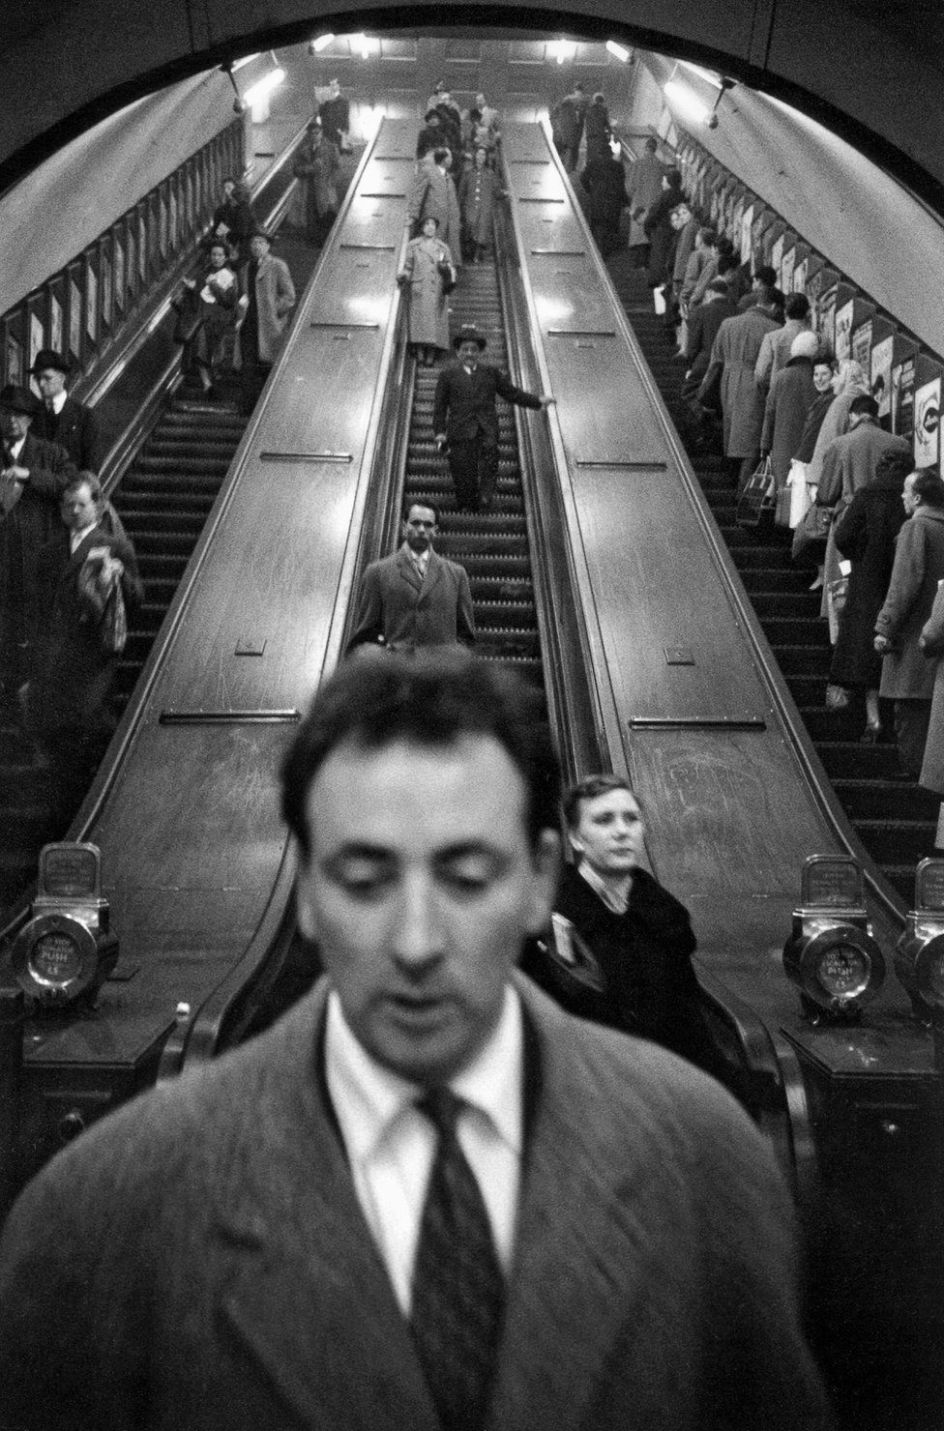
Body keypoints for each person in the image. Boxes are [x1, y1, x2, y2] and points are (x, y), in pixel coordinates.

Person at [0, 651, 834, 1431]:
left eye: (467, 877)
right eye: (365, 880)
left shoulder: (707, 1161)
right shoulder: (104, 1211)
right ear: (307, 898)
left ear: (541, 880)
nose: (416, 940)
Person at [520, 774, 731, 1083]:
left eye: (631, 819)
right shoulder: (546, 918)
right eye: (604, 820)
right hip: (580, 1080)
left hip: (660, 1079)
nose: (621, 831)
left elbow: (687, 1022)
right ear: (577, 838)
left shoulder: (664, 916)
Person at [24, 472, 142, 794]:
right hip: (55, 656)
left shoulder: (115, 546)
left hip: (94, 655)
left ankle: (91, 793)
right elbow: (37, 607)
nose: (73, 512)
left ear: (99, 507)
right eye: (67, 505)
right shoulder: (49, 551)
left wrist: (119, 577)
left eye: (81, 504)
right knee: (57, 731)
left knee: (85, 721)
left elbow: (136, 601)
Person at [827, 447, 912, 741]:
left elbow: (842, 537)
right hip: (906, 582)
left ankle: (874, 720)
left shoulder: (868, 493)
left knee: (867, 655)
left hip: (869, 583)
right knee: (902, 651)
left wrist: (859, 559)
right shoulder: (914, 496)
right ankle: (903, 727)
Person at [0, 384, 76, 703]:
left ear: (30, 420)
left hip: (38, 556)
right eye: (6, 415)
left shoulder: (51, 453)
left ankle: (31, 694)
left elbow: (71, 484)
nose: (12, 422)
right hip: (3, 558)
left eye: (20, 416)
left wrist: (28, 474)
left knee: (36, 625)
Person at [816, 394, 911, 645]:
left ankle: (842, 643)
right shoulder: (900, 444)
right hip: (893, 525)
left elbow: (826, 494)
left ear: (852, 416)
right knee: (884, 586)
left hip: (852, 524)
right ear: (876, 415)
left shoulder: (840, 444)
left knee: (844, 584)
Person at [433, 324, 555, 512]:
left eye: (474, 350)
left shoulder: (490, 373)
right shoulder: (448, 376)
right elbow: (440, 407)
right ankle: (467, 504)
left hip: (486, 429)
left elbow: (511, 393)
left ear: (479, 352)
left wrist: (537, 401)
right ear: (458, 352)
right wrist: (439, 432)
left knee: (490, 464)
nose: (469, 353)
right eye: (465, 349)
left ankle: (485, 497)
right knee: (463, 471)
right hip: (460, 431)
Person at [874, 468, 944, 779]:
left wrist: (885, 627)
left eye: (905, 491)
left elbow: (904, 584)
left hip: (914, 643)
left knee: (910, 718)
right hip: (937, 640)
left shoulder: (915, 528)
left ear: (917, 497)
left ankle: (915, 784)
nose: (902, 496)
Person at [346, 501, 475, 654]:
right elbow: (365, 635)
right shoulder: (377, 572)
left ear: (435, 531)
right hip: (395, 672)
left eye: (428, 525)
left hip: (439, 673)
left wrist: (449, 660)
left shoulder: (456, 574)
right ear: (404, 527)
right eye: (415, 523)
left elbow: (466, 636)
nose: (421, 529)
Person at [698, 283, 781, 491]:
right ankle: (742, 492)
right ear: (773, 307)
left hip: (727, 384)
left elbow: (715, 361)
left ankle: (729, 480)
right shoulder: (773, 329)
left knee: (731, 434)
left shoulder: (727, 324)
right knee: (751, 441)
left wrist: (705, 392)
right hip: (754, 387)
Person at [235, 228, 296, 415]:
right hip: (248, 325)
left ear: (268, 246)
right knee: (248, 367)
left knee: (268, 365)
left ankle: (269, 408)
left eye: (261, 242)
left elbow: (289, 296)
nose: (256, 246)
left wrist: (272, 312)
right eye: (253, 243)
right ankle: (248, 407)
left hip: (268, 326)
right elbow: (243, 295)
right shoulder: (245, 268)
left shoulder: (277, 265)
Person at [760, 329, 818, 514]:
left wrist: (765, 445)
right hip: (810, 449)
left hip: (782, 446)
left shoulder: (781, 376)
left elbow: (769, 412)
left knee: (784, 496)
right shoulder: (817, 378)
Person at [172, 240, 239, 396]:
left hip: (218, 319)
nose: (217, 258)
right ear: (210, 256)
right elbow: (199, 294)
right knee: (199, 344)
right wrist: (191, 287)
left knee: (214, 350)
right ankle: (206, 383)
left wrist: (214, 285)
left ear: (226, 257)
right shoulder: (204, 273)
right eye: (214, 254)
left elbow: (229, 301)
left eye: (220, 255)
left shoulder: (230, 276)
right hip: (202, 317)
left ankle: (214, 374)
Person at [29, 348, 103, 472]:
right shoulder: (31, 415)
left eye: (47, 378)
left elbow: (91, 465)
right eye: (37, 378)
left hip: (72, 489)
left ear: (61, 378)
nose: (41, 384)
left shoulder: (85, 417)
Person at [397, 216, 456, 367]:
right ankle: (420, 351)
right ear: (422, 227)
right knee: (420, 322)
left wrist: (449, 277)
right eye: (427, 224)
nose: (430, 227)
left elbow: (450, 267)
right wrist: (404, 275)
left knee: (434, 323)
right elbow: (408, 265)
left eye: (433, 225)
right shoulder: (414, 245)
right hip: (419, 287)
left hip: (437, 288)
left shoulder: (443, 247)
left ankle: (430, 353)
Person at [407, 147, 461, 260]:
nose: (452, 159)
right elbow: (418, 194)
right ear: (444, 159)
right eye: (450, 156)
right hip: (434, 221)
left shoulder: (448, 177)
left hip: (449, 223)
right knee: (431, 252)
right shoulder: (428, 172)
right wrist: (413, 215)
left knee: (444, 252)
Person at [292, 118, 340, 243]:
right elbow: (296, 170)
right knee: (310, 213)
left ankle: (326, 239)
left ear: (321, 133)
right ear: (308, 135)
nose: (314, 136)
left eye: (317, 133)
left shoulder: (331, 148)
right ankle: (313, 239)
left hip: (325, 187)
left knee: (326, 213)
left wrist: (331, 182)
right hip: (308, 188)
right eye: (311, 134)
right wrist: (310, 168)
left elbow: (337, 167)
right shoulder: (303, 151)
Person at [755, 292, 813, 393]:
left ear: (785, 312)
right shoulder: (820, 338)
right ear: (807, 312)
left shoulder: (772, 338)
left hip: (780, 396)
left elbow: (761, 375)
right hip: (811, 396)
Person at [578, 145, 627, 257]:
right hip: (613, 199)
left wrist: (590, 190)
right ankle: (607, 250)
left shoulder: (593, 163)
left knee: (596, 223)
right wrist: (625, 202)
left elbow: (583, 178)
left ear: (599, 153)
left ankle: (595, 249)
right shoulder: (618, 165)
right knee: (610, 225)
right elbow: (621, 184)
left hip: (597, 197)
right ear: (610, 154)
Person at [458, 145, 503, 262]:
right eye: (478, 154)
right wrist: (459, 208)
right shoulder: (468, 173)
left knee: (482, 229)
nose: (480, 157)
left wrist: (507, 194)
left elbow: (497, 192)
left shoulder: (490, 173)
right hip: (470, 206)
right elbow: (461, 192)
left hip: (484, 208)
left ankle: (477, 255)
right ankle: (471, 253)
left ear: (486, 157)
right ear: (475, 156)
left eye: (483, 154)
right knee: (471, 225)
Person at [625, 136, 664, 268]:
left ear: (645, 148)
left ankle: (637, 265)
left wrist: (632, 197)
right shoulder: (661, 166)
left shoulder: (637, 163)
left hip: (638, 204)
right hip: (654, 206)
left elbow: (629, 187)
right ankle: (648, 266)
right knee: (650, 236)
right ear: (655, 149)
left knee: (638, 235)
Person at [643, 168, 684, 292]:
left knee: (659, 263)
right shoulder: (682, 196)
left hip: (662, 233)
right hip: (676, 233)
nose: (662, 183)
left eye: (663, 181)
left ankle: (659, 298)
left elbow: (653, 214)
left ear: (669, 182)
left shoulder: (664, 196)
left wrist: (648, 228)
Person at [206, 177, 255, 264]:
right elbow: (217, 231)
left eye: (229, 188)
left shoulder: (245, 209)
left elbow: (245, 231)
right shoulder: (221, 210)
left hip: (241, 252)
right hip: (227, 250)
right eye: (224, 188)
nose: (226, 191)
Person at [550, 82, 588, 171]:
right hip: (578, 127)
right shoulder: (585, 100)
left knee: (564, 145)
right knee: (574, 147)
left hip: (567, 126)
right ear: (582, 90)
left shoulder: (567, 99)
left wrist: (555, 119)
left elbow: (556, 111)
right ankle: (572, 167)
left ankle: (561, 164)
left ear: (575, 89)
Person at [317, 78, 350, 151]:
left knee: (337, 153)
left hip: (338, 133)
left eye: (334, 84)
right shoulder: (324, 101)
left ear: (338, 86)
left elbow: (345, 117)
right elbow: (319, 115)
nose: (333, 86)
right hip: (327, 133)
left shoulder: (344, 101)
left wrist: (345, 133)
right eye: (331, 85)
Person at [583, 91, 611, 160]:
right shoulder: (604, 110)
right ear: (602, 101)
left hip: (590, 135)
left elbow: (586, 122)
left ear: (595, 100)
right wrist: (610, 131)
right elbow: (606, 122)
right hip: (600, 135)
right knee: (600, 153)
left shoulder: (589, 109)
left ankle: (589, 166)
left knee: (590, 152)